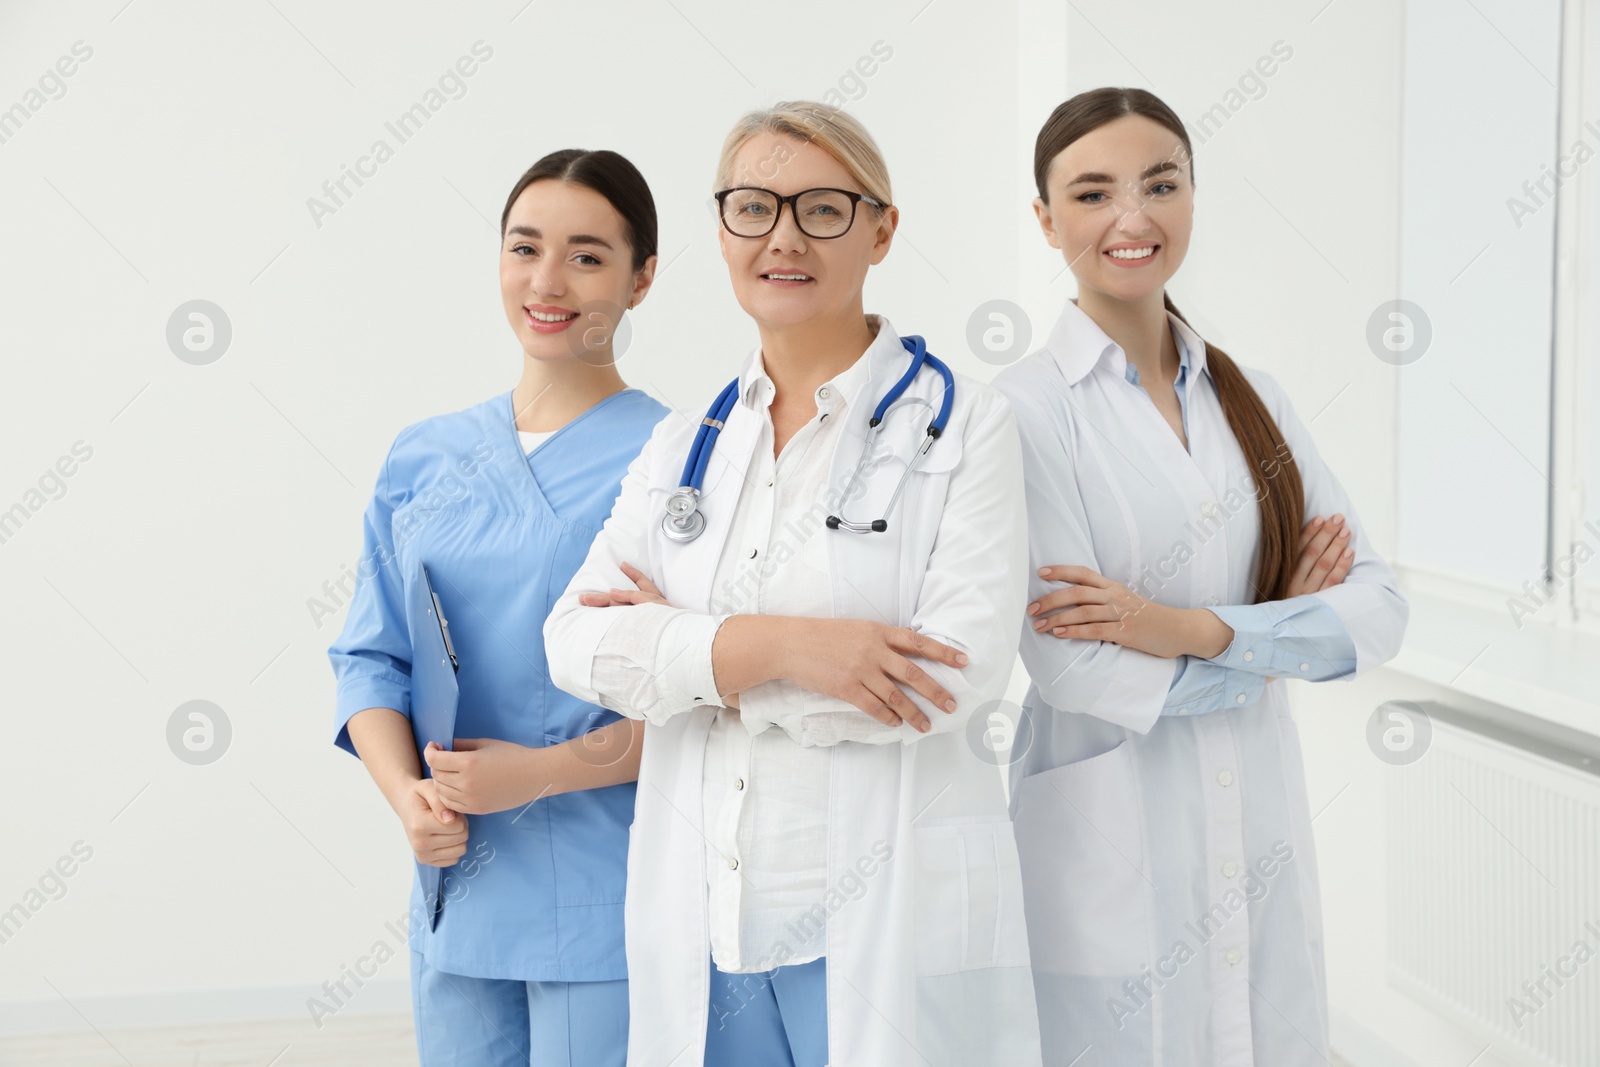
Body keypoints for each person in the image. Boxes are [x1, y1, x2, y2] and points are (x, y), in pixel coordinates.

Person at [543, 102, 1043, 1067]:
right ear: (721, 226)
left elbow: (947, 679)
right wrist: (795, 648)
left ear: (881, 228)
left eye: (821, 208)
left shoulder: (966, 426)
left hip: (873, 914)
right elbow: (575, 641)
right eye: (752, 208)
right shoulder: (684, 441)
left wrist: (686, 657)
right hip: (708, 913)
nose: (781, 237)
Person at [993, 87, 1409, 1066]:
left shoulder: (1254, 396)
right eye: (1093, 193)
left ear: (1191, 196)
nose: (1132, 217)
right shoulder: (1021, 410)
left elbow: (1380, 609)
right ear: (1047, 222)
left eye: (1160, 184)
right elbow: (1073, 666)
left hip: (1254, 813)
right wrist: (1278, 636)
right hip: (1106, 845)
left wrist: (1183, 628)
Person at [327, 148, 669, 1067]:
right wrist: (406, 797)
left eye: (588, 256)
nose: (547, 281)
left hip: (606, 885)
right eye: (525, 248)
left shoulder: (676, 458)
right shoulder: (424, 455)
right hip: (454, 879)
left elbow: (703, 698)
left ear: (641, 279)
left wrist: (542, 771)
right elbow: (371, 657)